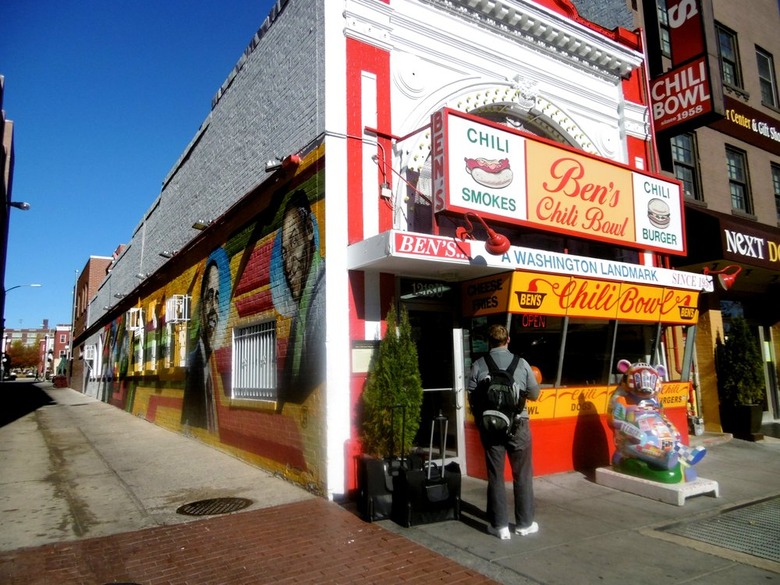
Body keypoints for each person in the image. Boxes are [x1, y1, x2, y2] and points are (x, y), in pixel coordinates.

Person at [468, 323, 541, 540]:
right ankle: (524, 524)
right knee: (522, 475)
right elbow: (535, 394)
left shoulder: (479, 364)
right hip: (519, 425)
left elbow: (472, 397)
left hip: (491, 428)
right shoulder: (522, 363)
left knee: (495, 475)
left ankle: (499, 526)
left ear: (488, 342)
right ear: (508, 340)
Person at [182, 249, 229, 431]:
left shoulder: (219, 357)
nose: (213, 308)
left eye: (218, 297)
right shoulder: (193, 365)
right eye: (209, 297)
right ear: (201, 306)